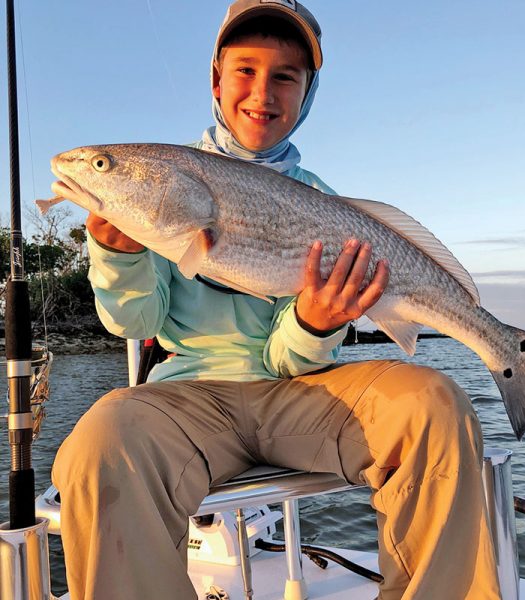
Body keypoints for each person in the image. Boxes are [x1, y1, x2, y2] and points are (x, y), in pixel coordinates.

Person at [52, 1, 502, 599]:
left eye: (285, 76)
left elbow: (295, 363)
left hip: (304, 394)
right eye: (244, 70)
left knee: (434, 405)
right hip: (189, 397)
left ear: (307, 94)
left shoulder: (325, 205)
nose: (262, 92)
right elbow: (134, 320)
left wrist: (315, 324)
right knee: (101, 440)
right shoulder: (165, 181)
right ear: (216, 79)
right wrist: (119, 254)